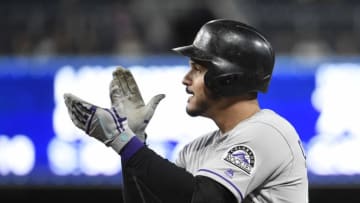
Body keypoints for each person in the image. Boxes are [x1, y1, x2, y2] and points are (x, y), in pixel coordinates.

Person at [64, 19, 309, 203]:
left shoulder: (269, 132)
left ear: (227, 78)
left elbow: (205, 199)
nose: (185, 79)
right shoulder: (196, 150)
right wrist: (133, 141)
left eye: (197, 69)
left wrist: (124, 142)